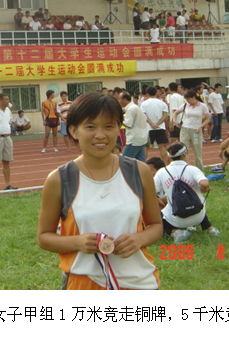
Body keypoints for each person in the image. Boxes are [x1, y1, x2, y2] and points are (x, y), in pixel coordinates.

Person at [37, 91, 162, 290]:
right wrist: (78, 242)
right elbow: (44, 237)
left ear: (118, 129)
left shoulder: (139, 171)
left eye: (109, 126)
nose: (101, 135)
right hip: (84, 284)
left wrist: (139, 239)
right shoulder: (60, 179)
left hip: (139, 283)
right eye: (90, 126)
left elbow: (155, 225)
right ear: (74, 131)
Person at [153, 142, 219, 243]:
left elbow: (151, 190)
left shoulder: (162, 172)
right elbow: (204, 184)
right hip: (199, 216)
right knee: (194, 199)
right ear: (184, 154)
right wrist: (204, 186)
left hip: (176, 219)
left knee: (156, 220)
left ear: (170, 156)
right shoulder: (193, 169)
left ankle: (176, 232)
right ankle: (210, 228)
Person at [172, 90, 210, 171]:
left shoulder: (202, 106)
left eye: (189, 99)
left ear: (194, 97)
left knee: (197, 151)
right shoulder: (185, 105)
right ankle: (185, 170)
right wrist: (175, 121)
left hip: (196, 131)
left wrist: (201, 126)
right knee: (184, 151)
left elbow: (208, 118)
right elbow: (175, 113)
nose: (188, 101)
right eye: (186, 99)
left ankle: (199, 170)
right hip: (185, 129)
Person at [140, 86, 169, 162]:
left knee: (146, 147)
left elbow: (144, 116)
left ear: (147, 93)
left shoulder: (144, 104)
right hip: (160, 127)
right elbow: (165, 116)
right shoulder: (162, 103)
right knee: (162, 147)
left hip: (149, 128)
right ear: (156, 92)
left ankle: (143, 163)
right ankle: (165, 163)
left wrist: (152, 124)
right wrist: (157, 124)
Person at [119, 92, 148, 162]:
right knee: (140, 161)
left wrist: (118, 119)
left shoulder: (131, 109)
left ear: (125, 99)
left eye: (120, 99)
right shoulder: (134, 107)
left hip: (134, 139)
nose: (119, 101)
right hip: (141, 137)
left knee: (125, 160)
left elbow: (128, 124)